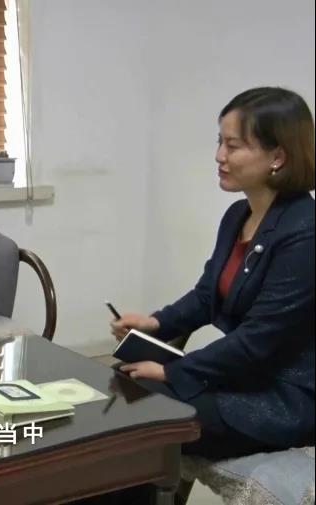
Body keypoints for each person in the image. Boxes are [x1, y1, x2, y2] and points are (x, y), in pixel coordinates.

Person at [110, 86, 314, 463]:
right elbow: (208, 295)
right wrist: (155, 323)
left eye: (233, 146)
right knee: (122, 380)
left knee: (141, 405)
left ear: (277, 156)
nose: (219, 156)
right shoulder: (238, 215)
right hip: (243, 376)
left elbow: (259, 339)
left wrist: (174, 372)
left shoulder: (305, 232)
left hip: (281, 398)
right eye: (220, 142)